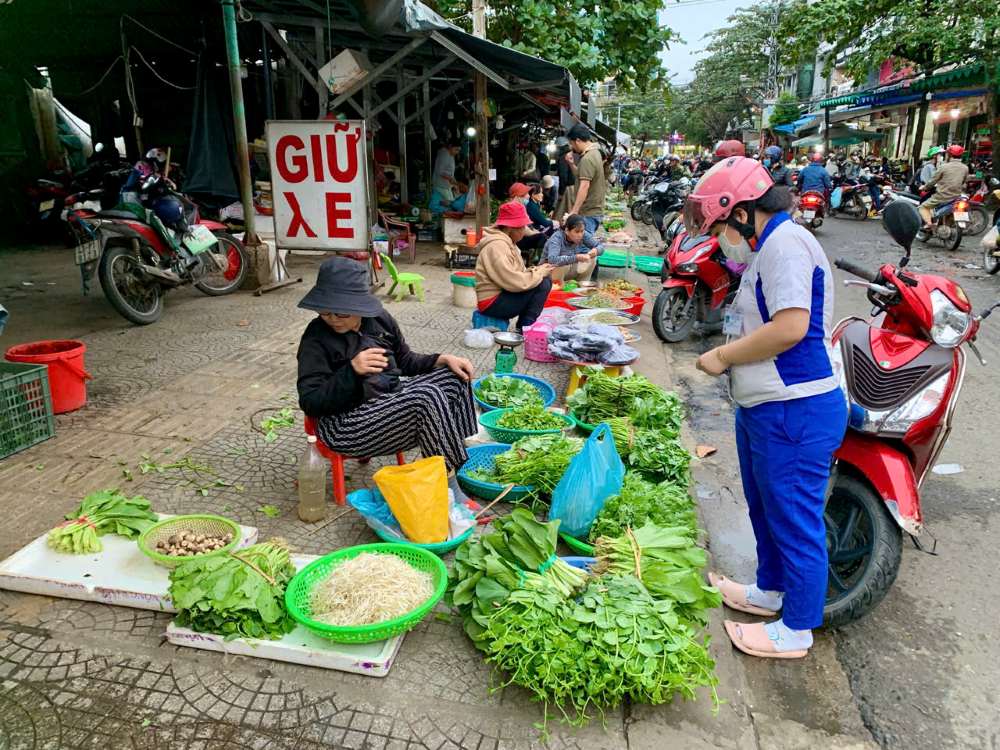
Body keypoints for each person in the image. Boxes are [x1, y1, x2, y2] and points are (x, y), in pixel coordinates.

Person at [684, 156, 847, 660]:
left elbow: (791, 328)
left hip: (794, 408)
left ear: (740, 212)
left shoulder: (788, 244)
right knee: (766, 510)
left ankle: (796, 629)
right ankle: (767, 591)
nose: (721, 235)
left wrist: (722, 356)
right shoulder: (769, 245)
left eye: (719, 224)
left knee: (795, 519)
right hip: (763, 407)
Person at [296, 257, 478, 495]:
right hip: (344, 425)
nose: (331, 319)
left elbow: (405, 361)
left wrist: (442, 359)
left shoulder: (379, 319)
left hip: (387, 402)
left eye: (340, 313)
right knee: (427, 396)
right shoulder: (315, 338)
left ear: (358, 305)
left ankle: (461, 459)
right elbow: (310, 401)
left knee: (455, 377)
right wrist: (351, 372)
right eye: (324, 312)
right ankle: (449, 487)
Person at [475, 201, 554, 330]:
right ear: (510, 228)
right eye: (522, 227)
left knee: (542, 279)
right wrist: (539, 273)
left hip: (500, 296)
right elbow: (514, 282)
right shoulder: (497, 246)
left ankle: (524, 326)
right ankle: (525, 327)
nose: (524, 232)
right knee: (543, 282)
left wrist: (537, 270)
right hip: (491, 303)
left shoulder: (507, 242)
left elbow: (518, 274)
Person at [565, 123, 608, 239]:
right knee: (585, 249)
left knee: (584, 251)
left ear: (578, 140)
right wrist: (571, 164)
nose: (571, 147)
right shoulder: (595, 153)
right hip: (593, 211)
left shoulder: (587, 159)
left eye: (572, 143)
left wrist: (574, 211)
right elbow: (581, 175)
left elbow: (584, 186)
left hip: (588, 212)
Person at [919, 144, 969, 230]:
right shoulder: (965, 168)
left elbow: (932, 181)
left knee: (923, 207)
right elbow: (963, 182)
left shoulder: (943, 167)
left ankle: (929, 224)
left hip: (942, 197)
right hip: (956, 197)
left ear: (949, 155)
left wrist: (924, 188)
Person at [543, 214, 604, 282]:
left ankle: (582, 285)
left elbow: (600, 246)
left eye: (582, 231)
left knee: (593, 258)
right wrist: (576, 257)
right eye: (576, 232)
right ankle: (556, 287)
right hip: (548, 272)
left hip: (568, 269)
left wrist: (596, 251)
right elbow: (552, 259)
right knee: (562, 263)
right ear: (567, 230)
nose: (580, 235)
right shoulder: (557, 237)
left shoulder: (583, 234)